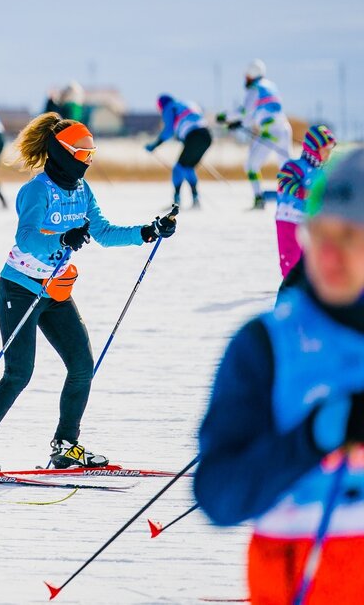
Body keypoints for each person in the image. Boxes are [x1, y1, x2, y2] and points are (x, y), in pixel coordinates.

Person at [0, 113, 178, 473]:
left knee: (81, 366)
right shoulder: (36, 190)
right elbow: (25, 239)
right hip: (21, 288)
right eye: (82, 153)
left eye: (92, 154)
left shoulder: (81, 191)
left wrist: (149, 231)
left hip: (55, 291)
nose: (88, 161)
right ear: (61, 152)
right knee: (18, 373)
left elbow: (103, 232)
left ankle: (65, 445)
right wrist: (61, 238)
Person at [195, 147, 364, 603]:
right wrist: (315, 436)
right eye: (319, 233)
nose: (329, 253)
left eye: (349, 234)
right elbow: (219, 495)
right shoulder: (266, 344)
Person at [219, 59, 293, 209]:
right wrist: (241, 123)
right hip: (284, 129)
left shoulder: (254, 89)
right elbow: (259, 113)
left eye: (246, 76)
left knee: (251, 165)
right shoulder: (271, 86)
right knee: (288, 167)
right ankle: (293, 198)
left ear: (251, 75)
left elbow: (244, 111)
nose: (245, 79)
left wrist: (226, 117)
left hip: (270, 132)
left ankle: (259, 199)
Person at [275, 125, 336, 279]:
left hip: (310, 222)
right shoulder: (295, 166)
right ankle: (290, 286)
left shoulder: (323, 172)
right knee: (291, 256)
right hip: (289, 219)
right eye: (325, 150)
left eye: (330, 150)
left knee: (310, 256)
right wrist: (302, 192)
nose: (328, 154)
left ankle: (310, 286)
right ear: (314, 149)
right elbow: (283, 181)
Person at [145, 94, 213, 208]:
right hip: (206, 135)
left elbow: (168, 130)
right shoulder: (186, 103)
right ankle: (195, 200)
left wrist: (155, 145)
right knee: (187, 167)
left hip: (194, 136)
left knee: (178, 167)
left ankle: (177, 202)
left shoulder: (170, 107)